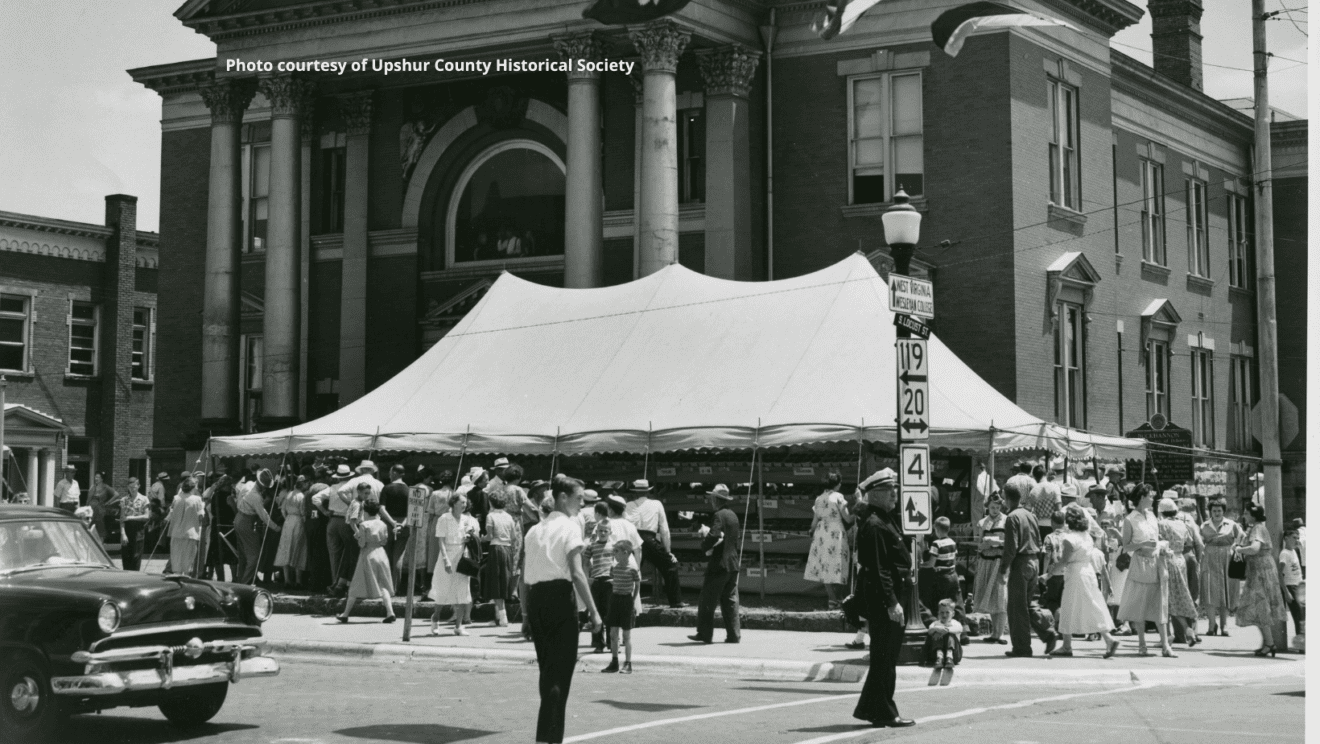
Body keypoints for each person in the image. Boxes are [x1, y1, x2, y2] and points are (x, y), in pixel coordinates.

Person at [522, 474, 601, 744]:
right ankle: (551, 737)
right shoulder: (569, 527)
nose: (582, 504)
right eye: (579, 499)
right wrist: (593, 611)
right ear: (563, 497)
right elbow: (578, 574)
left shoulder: (534, 530)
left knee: (547, 671)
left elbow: (524, 578)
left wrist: (524, 614)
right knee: (561, 675)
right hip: (559, 597)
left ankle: (545, 735)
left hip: (536, 600)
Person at [851, 469, 915, 729]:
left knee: (885, 657)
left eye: (895, 489)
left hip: (891, 595)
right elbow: (879, 569)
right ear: (875, 494)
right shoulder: (876, 524)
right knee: (885, 657)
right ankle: (884, 712)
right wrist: (892, 602)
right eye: (890, 491)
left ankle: (874, 709)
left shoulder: (883, 518)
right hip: (885, 599)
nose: (895, 494)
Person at [999, 480, 1058, 657]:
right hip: (1034, 561)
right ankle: (1048, 633)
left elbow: (1011, 548)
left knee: (1017, 608)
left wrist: (1003, 569)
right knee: (1029, 604)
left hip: (1021, 563)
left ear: (1007, 499)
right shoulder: (1030, 515)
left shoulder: (1012, 517)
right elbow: (1039, 540)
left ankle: (1022, 647)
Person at [1052, 504, 1119, 658]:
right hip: (1088, 573)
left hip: (1076, 574)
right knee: (1091, 605)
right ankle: (1068, 645)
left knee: (1069, 606)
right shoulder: (1087, 536)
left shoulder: (1069, 539)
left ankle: (1105, 640)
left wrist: (1049, 574)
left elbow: (1064, 561)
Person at [1118, 485, 1173, 657]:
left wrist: (1162, 547)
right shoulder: (1130, 519)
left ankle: (1166, 646)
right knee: (1140, 605)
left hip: (1157, 562)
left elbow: (1156, 539)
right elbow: (1126, 546)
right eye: (1150, 495)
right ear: (1142, 497)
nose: (1153, 498)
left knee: (1160, 604)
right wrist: (1142, 545)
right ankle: (1142, 644)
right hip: (1140, 563)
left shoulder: (1152, 516)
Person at [689, 484, 741, 644]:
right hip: (732, 563)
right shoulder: (733, 515)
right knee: (730, 600)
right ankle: (733, 634)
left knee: (707, 599)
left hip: (719, 564)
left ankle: (705, 633)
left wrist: (704, 545)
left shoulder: (719, 515)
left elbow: (715, 534)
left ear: (714, 500)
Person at [1234, 503, 1288, 656]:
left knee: (1260, 607)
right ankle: (1267, 642)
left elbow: (1254, 549)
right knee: (1259, 607)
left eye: (1246, 513)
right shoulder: (1256, 528)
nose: (1244, 515)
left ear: (1252, 515)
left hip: (1260, 571)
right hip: (1259, 570)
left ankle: (1270, 644)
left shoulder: (1258, 528)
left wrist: (1239, 549)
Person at [624, 479, 683, 608]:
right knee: (670, 566)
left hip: (631, 539)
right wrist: (668, 552)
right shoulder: (656, 504)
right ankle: (675, 601)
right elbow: (664, 530)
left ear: (634, 493)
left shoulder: (628, 505)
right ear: (648, 492)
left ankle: (626, 602)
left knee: (629, 571)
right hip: (649, 540)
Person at [336, 501, 398, 624]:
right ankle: (390, 612)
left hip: (368, 554)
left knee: (355, 584)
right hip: (381, 553)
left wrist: (357, 536)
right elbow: (384, 541)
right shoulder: (383, 524)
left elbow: (362, 544)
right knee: (383, 584)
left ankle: (345, 614)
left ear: (366, 511)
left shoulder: (364, 524)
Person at [430, 490, 480, 636]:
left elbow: (473, 536)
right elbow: (441, 541)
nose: (464, 505)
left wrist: (470, 537)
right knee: (442, 589)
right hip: (447, 555)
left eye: (465, 502)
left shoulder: (467, 519)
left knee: (462, 592)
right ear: (453, 503)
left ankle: (458, 626)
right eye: (461, 502)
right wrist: (445, 559)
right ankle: (435, 617)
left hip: (462, 556)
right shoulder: (444, 519)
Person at [804, 471, 853, 609]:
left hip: (821, 533)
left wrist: (811, 531)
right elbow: (847, 518)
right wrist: (857, 512)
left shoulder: (819, 499)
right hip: (835, 532)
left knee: (824, 565)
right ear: (837, 484)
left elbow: (814, 522)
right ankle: (839, 598)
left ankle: (832, 599)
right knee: (839, 562)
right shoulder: (838, 497)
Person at [1157, 497, 1200, 647]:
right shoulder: (1182, 524)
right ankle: (1187, 629)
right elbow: (1189, 541)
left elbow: (1158, 541)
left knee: (1166, 599)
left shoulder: (1161, 524)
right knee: (1179, 596)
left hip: (1167, 560)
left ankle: (1167, 635)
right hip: (1181, 559)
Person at [1199, 497, 1243, 636]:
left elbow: (1242, 536)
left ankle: (1224, 625)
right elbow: (1199, 541)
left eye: (1219, 510)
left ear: (1223, 511)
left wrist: (1236, 546)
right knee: (1209, 592)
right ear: (1210, 512)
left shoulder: (1231, 524)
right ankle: (1212, 625)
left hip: (1227, 559)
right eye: (1214, 510)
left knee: (1225, 592)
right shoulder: (1204, 526)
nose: (1217, 513)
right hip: (1210, 559)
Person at [235, 470, 281, 585]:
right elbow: (264, 516)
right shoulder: (256, 497)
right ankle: (245, 583)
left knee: (244, 556)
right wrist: (276, 528)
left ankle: (242, 580)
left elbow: (237, 491)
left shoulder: (248, 484)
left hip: (239, 518)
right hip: (246, 522)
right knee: (254, 556)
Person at [973, 495, 1009, 644]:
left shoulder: (1006, 520)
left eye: (998, 507)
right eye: (993, 507)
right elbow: (979, 543)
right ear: (988, 507)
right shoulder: (983, 522)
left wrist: (997, 542)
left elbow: (1010, 542)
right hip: (986, 561)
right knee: (992, 598)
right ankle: (994, 633)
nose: (995, 510)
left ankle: (1000, 633)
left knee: (1001, 597)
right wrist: (984, 545)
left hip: (999, 561)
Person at [484, 488, 521, 627]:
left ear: (491, 502)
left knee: (495, 581)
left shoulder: (491, 516)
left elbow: (489, 536)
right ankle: (497, 617)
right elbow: (513, 536)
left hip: (496, 548)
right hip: (508, 548)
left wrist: (481, 538)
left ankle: (502, 615)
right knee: (504, 580)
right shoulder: (508, 516)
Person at [602, 539, 640, 673]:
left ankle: (628, 662)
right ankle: (614, 661)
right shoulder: (614, 568)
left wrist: (633, 600)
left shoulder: (633, 569)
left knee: (626, 634)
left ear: (625, 553)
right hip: (615, 599)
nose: (614, 554)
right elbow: (614, 579)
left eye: (616, 552)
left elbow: (637, 584)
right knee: (613, 632)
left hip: (626, 600)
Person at [583, 508, 614, 652]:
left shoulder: (614, 546)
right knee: (596, 614)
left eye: (605, 531)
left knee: (610, 615)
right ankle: (598, 644)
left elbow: (619, 562)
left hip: (609, 582)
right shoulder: (592, 546)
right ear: (597, 532)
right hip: (596, 582)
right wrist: (588, 577)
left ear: (610, 532)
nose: (602, 533)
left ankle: (611, 643)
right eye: (600, 531)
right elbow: (585, 562)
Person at [324, 464, 357, 596]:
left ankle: (335, 582)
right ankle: (345, 583)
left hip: (333, 521)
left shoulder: (332, 488)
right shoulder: (351, 488)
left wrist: (325, 512)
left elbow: (316, 499)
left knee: (334, 553)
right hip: (346, 520)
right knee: (348, 553)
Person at [166, 477, 206, 577]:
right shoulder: (197, 499)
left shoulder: (176, 498)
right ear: (194, 487)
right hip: (190, 534)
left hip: (176, 533)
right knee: (188, 564)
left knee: (176, 562)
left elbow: (170, 514)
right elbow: (201, 516)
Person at [380, 464, 411, 587]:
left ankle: (385, 585)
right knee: (398, 557)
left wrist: (392, 522)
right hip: (403, 525)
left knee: (385, 555)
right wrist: (402, 525)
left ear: (394, 473)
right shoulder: (409, 490)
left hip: (387, 524)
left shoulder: (386, 488)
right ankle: (395, 587)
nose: (389, 474)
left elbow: (382, 509)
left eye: (389, 471)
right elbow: (412, 512)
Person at [275, 475, 309, 588]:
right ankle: (298, 581)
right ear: (303, 484)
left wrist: (287, 519)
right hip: (298, 521)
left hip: (288, 521)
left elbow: (283, 510)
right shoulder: (301, 496)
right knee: (298, 548)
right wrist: (304, 521)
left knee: (286, 548)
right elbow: (303, 512)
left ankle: (287, 580)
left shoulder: (289, 494)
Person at [1041, 510, 1068, 628]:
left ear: (1052, 522)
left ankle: (1059, 621)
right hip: (1067, 572)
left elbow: (1047, 555)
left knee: (1051, 600)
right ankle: (1062, 626)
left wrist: (1044, 573)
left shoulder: (1049, 537)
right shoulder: (1069, 536)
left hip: (1053, 572)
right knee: (1063, 601)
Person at [117, 477, 150, 571]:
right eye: (130, 487)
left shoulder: (144, 499)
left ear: (138, 486)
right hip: (127, 529)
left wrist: (131, 517)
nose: (132, 489)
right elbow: (122, 518)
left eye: (134, 486)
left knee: (136, 557)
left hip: (138, 530)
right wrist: (123, 534)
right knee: (126, 558)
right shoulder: (124, 500)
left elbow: (147, 516)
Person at [1280, 529, 1305, 646]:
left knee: (1303, 615)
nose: (1297, 540)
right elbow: (1279, 573)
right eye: (1294, 538)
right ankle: (1301, 644)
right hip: (1291, 586)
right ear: (1286, 538)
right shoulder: (1284, 553)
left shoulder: (1294, 551)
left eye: (1298, 537)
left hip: (1298, 585)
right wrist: (1286, 592)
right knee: (1299, 616)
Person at [924, 598, 963, 669]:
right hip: (937, 654)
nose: (944, 615)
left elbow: (959, 629)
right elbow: (929, 630)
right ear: (938, 613)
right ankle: (939, 657)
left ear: (953, 613)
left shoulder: (955, 623)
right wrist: (937, 629)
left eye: (947, 612)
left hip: (955, 655)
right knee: (936, 632)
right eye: (942, 612)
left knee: (950, 633)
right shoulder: (936, 623)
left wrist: (946, 630)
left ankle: (949, 657)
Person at [1024, 464, 1062, 537]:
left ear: (1034, 477)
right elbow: (1059, 509)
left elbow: (1027, 510)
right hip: (1053, 525)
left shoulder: (1033, 491)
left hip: (1039, 525)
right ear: (1046, 474)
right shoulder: (1055, 487)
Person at [86, 472, 118, 543]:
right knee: (90, 528)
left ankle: (100, 546)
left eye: (98, 477)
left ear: (102, 479)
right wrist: (86, 508)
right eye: (95, 477)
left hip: (100, 511)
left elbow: (116, 494)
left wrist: (108, 502)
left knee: (100, 530)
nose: (96, 478)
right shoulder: (93, 487)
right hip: (91, 511)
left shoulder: (106, 487)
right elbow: (88, 499)